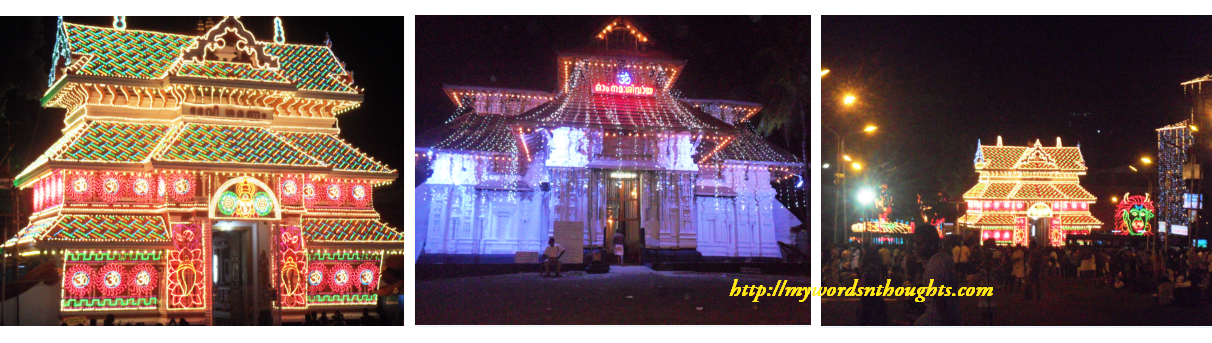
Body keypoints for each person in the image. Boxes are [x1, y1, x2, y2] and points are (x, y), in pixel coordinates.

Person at [913, 223, 960, 326]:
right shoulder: (944, 258)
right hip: (952, 315)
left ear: (932, 245)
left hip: (935, 320)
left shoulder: (934, 267)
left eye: (919, 244)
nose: (916, 248)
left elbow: (940, 302)